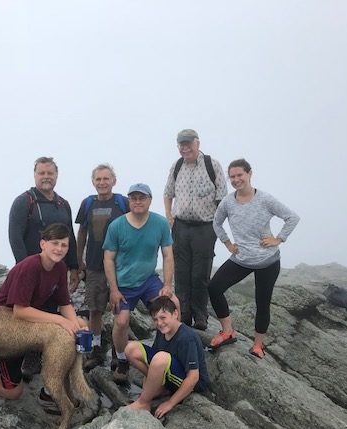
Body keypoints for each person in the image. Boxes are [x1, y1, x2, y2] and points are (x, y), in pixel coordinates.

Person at [0, 223, 88, 411]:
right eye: (55, 243)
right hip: (5, 326)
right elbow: (19, 310)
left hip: (29, 321)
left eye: (64, 245)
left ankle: (49, 387)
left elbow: (64, 303)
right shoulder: (29, 267)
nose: (59, 249)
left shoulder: (60, 268)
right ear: (43, 244)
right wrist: (61, 320)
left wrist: (73, 325)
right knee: (14, 393)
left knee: (79, 323)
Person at [208, 159, 300, 358]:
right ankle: (228, 331)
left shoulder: (265, 199)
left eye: (240, 175)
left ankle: (258, 345)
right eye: (232, 176)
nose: (236, 179)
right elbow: (217, 223)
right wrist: (227, 244)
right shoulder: (228, 202)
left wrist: (278, 239)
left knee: (262, 302)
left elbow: (292, 217)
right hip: (241, 258)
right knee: (214, 287)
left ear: (250, 174)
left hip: (268, 261)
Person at [8, 157, 80, 378]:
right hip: (30, 269)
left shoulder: (63, 204)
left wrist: (75, 266)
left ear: (56, 175)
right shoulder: (24, 201)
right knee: (28, 314)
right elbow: (15, 236)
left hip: (56, 269)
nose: (46, 177)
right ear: (35, 175)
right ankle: (21, 358)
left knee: (50, 309)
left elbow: (70, 236)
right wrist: (23, 268)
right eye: (42, 173)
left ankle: (40, 357)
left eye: (50, 173)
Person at [103, 183, 175, 384]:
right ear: (129, 201)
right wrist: (114, 289)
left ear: (150, 200)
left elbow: (168, 255)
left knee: (172, 305)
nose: (137, 201)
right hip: (124, 283)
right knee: (121, 321)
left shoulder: (160, 223)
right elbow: (108, 258)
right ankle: (122, 359)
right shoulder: (116, 226)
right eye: (133, 198)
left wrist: (167, 284)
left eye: (142, 198)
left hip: (148, 280)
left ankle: (165, 353)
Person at [164, 128, 227, 331]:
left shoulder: (212, 165)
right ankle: (183, 315)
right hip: (180, 227)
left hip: (205, 227)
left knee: (200, 274)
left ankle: (201, 317)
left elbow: (222, 198)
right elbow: (168, 193)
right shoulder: (177, 166)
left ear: (197, 143)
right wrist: (169, 216)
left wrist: (216, 226)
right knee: (181, 274)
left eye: (188, 143)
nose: (185, 147)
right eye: (181, 144)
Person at [75, 164, 129, 370]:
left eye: (106, 179)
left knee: (119, 309)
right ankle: (96, 350)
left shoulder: (123, 202)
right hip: (95, 265)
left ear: (114, 181)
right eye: (98, 179)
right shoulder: (88, 203)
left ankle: (118, 351)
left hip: (120, 266)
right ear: (93, 182)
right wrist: (79, 260)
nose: (102, 183)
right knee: (94, 309)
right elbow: (82, 233)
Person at [126, 296, 209, 419]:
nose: (159, 323)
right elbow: (153, 358)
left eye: (163, 317)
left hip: (191, 381)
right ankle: (158, 387)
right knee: (130, 348)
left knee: (160, 358)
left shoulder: (187, 338)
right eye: (155, 319)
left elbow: (193, 377)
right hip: (169, 370)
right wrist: (148, 383)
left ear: (175, 314)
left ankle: (143, 403)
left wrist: (170, 403)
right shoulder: (162, 330)